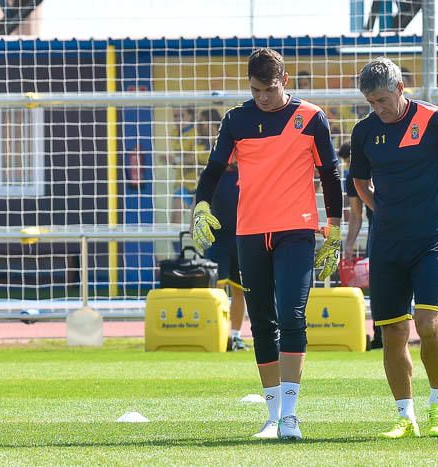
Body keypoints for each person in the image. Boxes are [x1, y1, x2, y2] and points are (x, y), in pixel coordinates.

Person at [191, 48, 342, 440]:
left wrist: (335, 228)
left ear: (285, 81)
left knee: (292, 314)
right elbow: (212, 169)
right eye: (256, 90)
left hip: (297, 230)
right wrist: (200, 205)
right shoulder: (236, 120)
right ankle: (272, 416)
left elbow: (330, 173)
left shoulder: (311, 118)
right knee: (261, 321)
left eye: (269, 90)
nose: (262, 97)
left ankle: (291, 415)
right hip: (250, 232)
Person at [350, 57, 438, 438]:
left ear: (400, 89)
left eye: (382, 99)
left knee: (428, 324)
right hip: (386, 244)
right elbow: (361, 183)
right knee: (393, 332)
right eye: (371, 102)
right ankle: (404, 415)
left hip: (431, 239)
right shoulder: (364, 132)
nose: (377, 108)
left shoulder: (434, 119)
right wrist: (380, 211)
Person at [197, 108, 248, 352]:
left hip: (242, 240)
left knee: (241, 292)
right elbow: (200, 201)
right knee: (216, 289)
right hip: (218, 240)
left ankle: (236, 336)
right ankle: (214, 333)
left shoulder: (248, 173)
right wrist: (195, 226)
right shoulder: (212, 174)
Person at [337, 142, 382, 349]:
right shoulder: (351, 177)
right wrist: (348, 245)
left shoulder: (383, 165)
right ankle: (380, 334)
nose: (349, 164)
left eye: (350, 159)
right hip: (378, 235)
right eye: (346, 161)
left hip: (405, 228)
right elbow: (356, 215)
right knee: (379, 286)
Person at [171, 106, 207, 251]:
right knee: (174, 222)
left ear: (190, 117)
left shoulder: (196, 133)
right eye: (175, 116)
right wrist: (176, 162)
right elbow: (182, 161)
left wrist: (176, 160)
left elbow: (196, 158)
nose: (177, 120)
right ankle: (178, 257)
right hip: (182, 183)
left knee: (198, 225)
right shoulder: (174, 133)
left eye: (181, 115)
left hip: (197, 185)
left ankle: (205, 258)